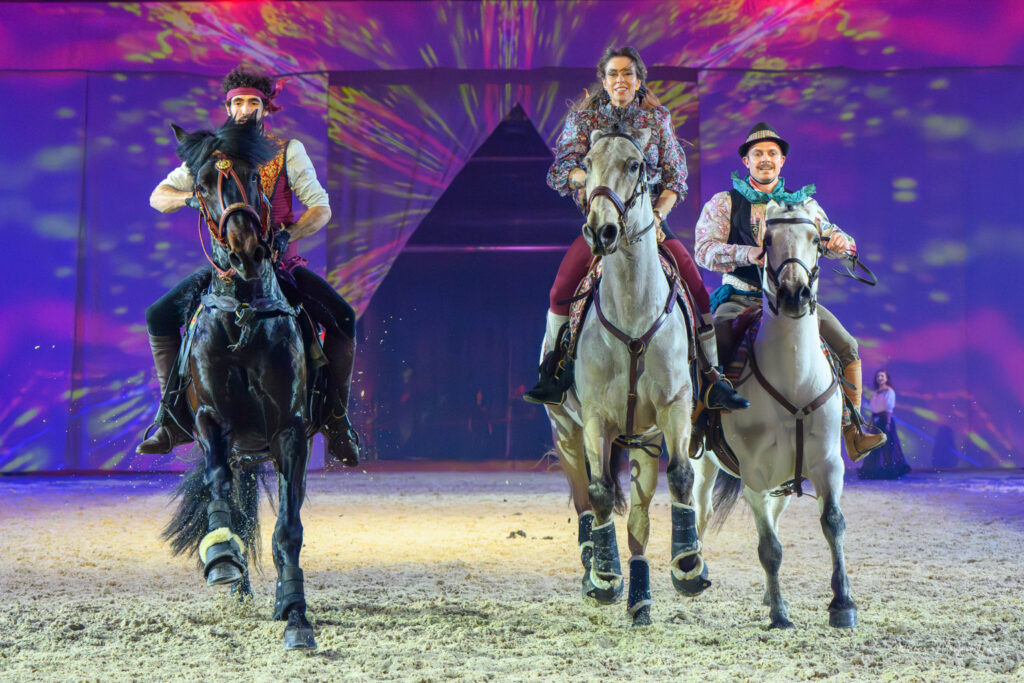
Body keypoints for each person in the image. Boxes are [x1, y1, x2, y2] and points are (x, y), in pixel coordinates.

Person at [139, 65, 359, 465]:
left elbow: (320, 208)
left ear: (266, 108)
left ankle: (336, 419)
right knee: (158, 315)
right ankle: (170, 419)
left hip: (278, 266)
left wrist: (289, 234)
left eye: (253, 103)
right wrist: (191, 199)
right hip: (226, 271)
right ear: (227, 107)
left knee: (343, 316)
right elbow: (158, 196)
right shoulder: (210, 154)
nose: (244, 110)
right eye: (237, 102)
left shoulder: (287, 150)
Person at [523, 45, 748, 412]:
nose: (620, 80)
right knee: (560, 289)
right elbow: (559, 172)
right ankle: (554, 370)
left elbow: (675, 180)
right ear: (603, 80)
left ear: (639, 80)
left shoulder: (657, 119)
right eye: (613, 74)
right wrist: (592, 176)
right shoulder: (584, 121)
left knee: (697, 290)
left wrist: (657, 217)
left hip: (650, 223)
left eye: (628, 73)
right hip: (602, 223)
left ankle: (712, 376)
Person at [694, 122, 886, 460]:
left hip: (793, 302)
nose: (765, 159)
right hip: (740, 297)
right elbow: (703, 250)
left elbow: (840, 240)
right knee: (712, 343)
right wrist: (747, 253)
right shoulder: (724, 203)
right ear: (746, 162)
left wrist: (841, 243)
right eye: (758, 154)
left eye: (772, 153)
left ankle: (853, 431)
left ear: (782, 161)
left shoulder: (804, 206)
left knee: (847, 346)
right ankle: (699, 424)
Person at [858, 369, 910, 479]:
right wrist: (870, 424)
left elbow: (889, 408)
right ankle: (874, 471)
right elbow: (873, 410)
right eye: (878, 376)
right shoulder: (876, 392)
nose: (880, 378)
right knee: (874, 446)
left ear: (886, 378)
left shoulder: (889, 391)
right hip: (876, 421)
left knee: (887, 447)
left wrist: (887, 423)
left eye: (882, 376)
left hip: (885, 420)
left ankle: (889, 471)